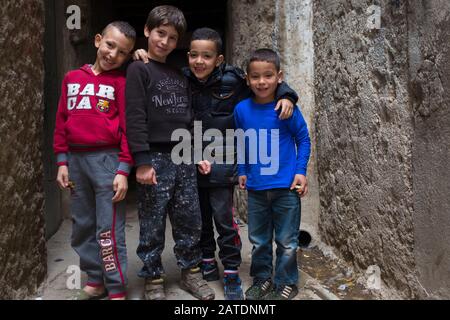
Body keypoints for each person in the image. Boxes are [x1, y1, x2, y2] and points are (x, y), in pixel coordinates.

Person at [133, 27, 298, 300]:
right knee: (197, 218)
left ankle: (231, 269)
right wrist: (140, 55)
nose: (200, 61)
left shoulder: (234, 80)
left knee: (224, 216)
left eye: (207, 56)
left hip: (223, 159)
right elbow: (156, 78)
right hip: (191, 157)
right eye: (194, 55)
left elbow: (264, 82)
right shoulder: (181, 78)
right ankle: (206, 258)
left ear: (219, 60)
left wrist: (287, 95)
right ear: (187, 57)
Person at [125, 5, 214, 301]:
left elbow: (188, 119)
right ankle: (153, 277)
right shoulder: (138, 68)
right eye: (160, 33)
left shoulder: (178, 74)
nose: (164, 41)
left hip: (184, 156)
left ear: (179, 42)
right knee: (152, 219)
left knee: (190, 217)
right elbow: (135, 116)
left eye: (172, 37)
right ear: (147, 32)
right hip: (155, 158)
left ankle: (191, 272)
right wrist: (141, 161)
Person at [53, 21, 136, 300]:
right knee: (83, 226)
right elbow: (61, 122)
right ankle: (94, 278)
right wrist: (62, 161)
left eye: (122, 52)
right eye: (110, 45)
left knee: (108, 230)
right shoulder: (71, 78)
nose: (113, 54)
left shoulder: (122, 84)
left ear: (128, 56)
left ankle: (115, 286)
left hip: (107, 161)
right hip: (76, 161)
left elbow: (128, 129)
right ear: (98, 40)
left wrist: (124, 169)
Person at [234, 48, 311, 300]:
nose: (262, 82)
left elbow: (303, 139)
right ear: (247, 79)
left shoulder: (285, 108)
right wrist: (243, 170)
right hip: (257, 189)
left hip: (286, 188)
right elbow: (242, 142)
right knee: (259, 240)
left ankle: (287, 282)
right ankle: (262, 279)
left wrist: (300, 172)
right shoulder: (242, 110)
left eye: (268, 75)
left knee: (287, 241)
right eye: (255, 77)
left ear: (279, 76)